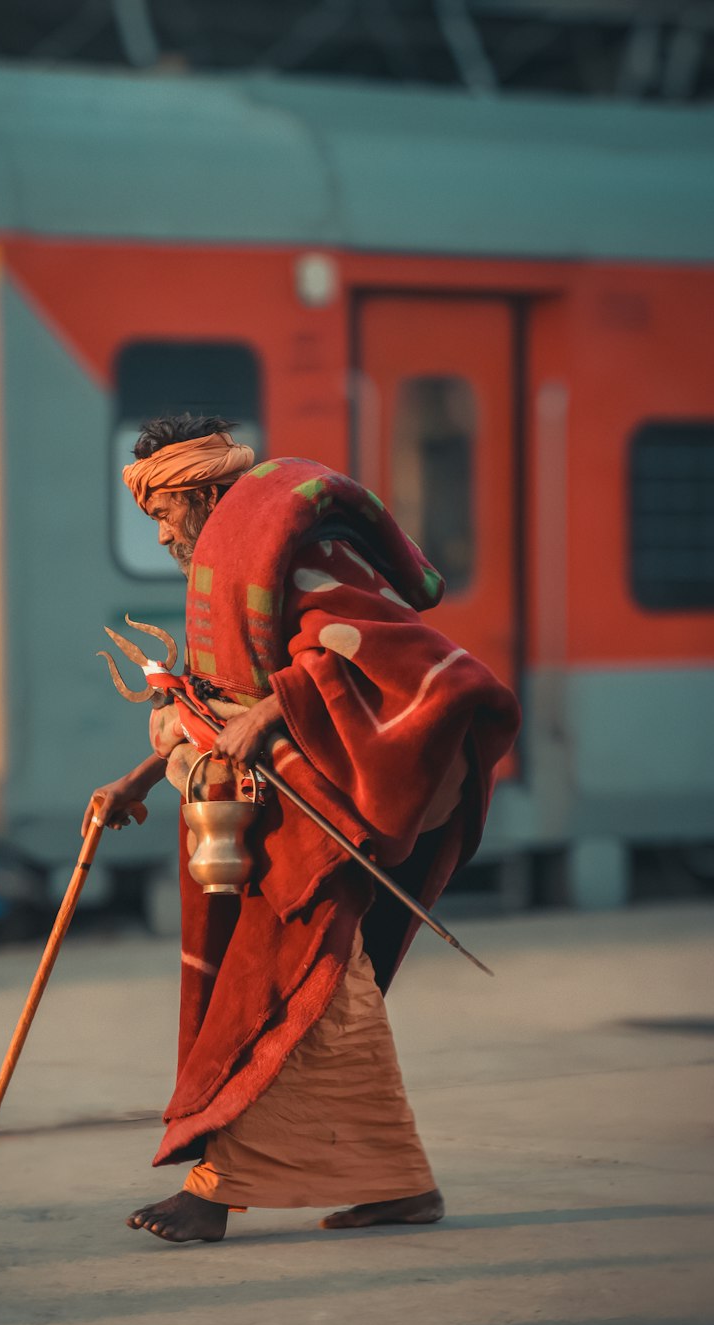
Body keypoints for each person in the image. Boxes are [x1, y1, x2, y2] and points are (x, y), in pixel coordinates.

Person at [86, 414, 519, 1244]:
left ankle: (215, 1193)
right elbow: (212, 699)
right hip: (268, 818)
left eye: (165, 511)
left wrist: (278, 709)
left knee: (282, 986)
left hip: (320, 813)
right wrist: (135, 779)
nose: (162, 530)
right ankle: (396, 1183)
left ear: (204, 492)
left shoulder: (305, 553)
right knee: (323, 991)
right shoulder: (228, 567)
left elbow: (382, 651)